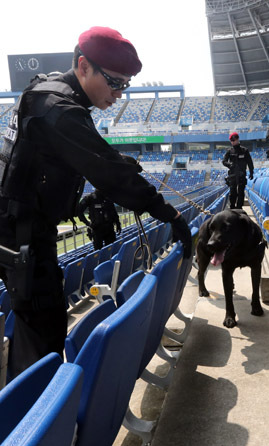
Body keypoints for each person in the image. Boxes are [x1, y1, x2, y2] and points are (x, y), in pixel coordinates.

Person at [0, 26, 192, 379]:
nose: (120, 93)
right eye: (115, 82)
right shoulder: (57, 106)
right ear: (84, 65)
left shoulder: (52, 95)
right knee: (42, 341)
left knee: (44, 330)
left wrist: (78, 203)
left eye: (126, 85)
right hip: (22, 238)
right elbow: (107, 171)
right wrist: (168, 212)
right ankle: (30, 424)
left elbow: (36, 172)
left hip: (23, 228)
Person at [222, 132, 254, 209]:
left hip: (241, 174)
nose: (232, 142)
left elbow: (250, 162)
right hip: (232, 175)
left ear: (237, 139)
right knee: (232, 192)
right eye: (231, 141)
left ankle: (239, 208)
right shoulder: (230, 151)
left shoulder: (244, 150)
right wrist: (229, 164)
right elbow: (224, 161)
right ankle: (232, 208)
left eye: (234, 140)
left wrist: (251, 172)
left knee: (241, 192)